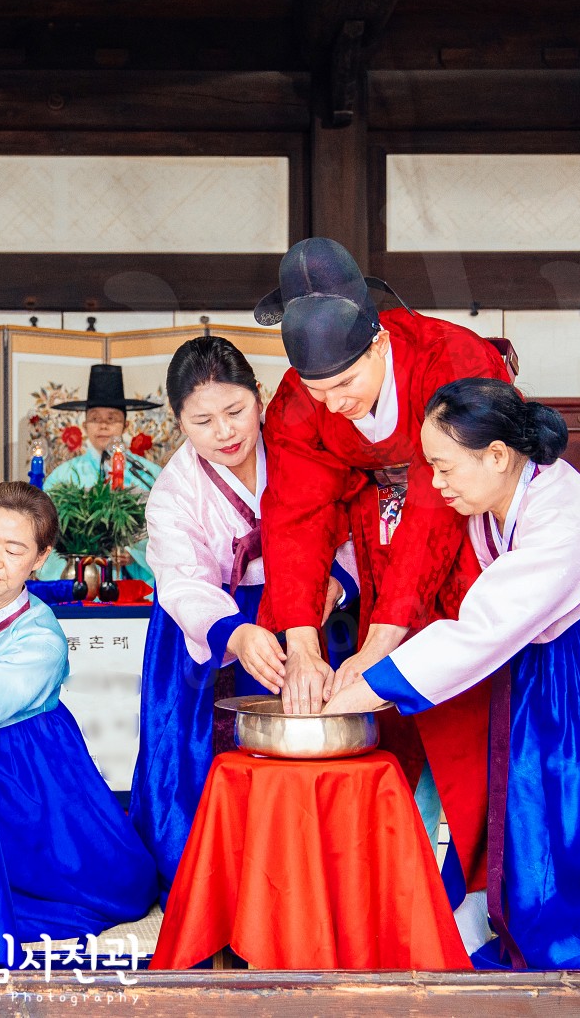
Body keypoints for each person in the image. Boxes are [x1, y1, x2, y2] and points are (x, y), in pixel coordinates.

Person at [326, 379, 580, 971]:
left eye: (444, 468)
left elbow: (483, 628)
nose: (436, 483)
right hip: (543, 662)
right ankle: (539, 923)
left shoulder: (570, 518)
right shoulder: (495, 500)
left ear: (496, 456)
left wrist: (371, 686)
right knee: (533, 795)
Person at [250, 236, 512, 913]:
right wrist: (301, 641)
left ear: (378, 343)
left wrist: (381, 641)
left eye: (345, 385)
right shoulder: (300, 400)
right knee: (383, 718)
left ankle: (481, 897)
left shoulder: (450, 359)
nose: (332, 403)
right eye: (318, 390)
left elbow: (436, 504)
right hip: (379, 541)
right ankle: (390, 893)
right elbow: (295, 514)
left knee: (467, 710)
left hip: (466, 530)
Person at [128, 335, 355, 889]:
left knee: (311, 741)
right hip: (211, 631)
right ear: (179, 422)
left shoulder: (298, 449)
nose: (225, 432)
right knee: (204, 756)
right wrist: (236, 633)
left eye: (235, 410)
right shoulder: (174, 491)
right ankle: (215, 887)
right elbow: (183, 581)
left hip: (306, 610)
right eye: (202, 421)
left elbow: (347, 520)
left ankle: (306, 882)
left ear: (260, 395)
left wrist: (337, 582)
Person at [0, 482, 161, 939]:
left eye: (14, 550)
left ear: (40, 558)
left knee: (98, 880)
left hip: (23, 768)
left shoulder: (41, 636)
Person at [38, 363, 164, 587]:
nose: (103, 426)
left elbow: (168, 530)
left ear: (126, 425)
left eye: (112, 418)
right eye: (95, 418)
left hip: (137, 584)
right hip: (80, 582)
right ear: (85, 424)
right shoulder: (63, 477)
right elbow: (44, 533)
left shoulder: (150, 475)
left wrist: (135, 552)